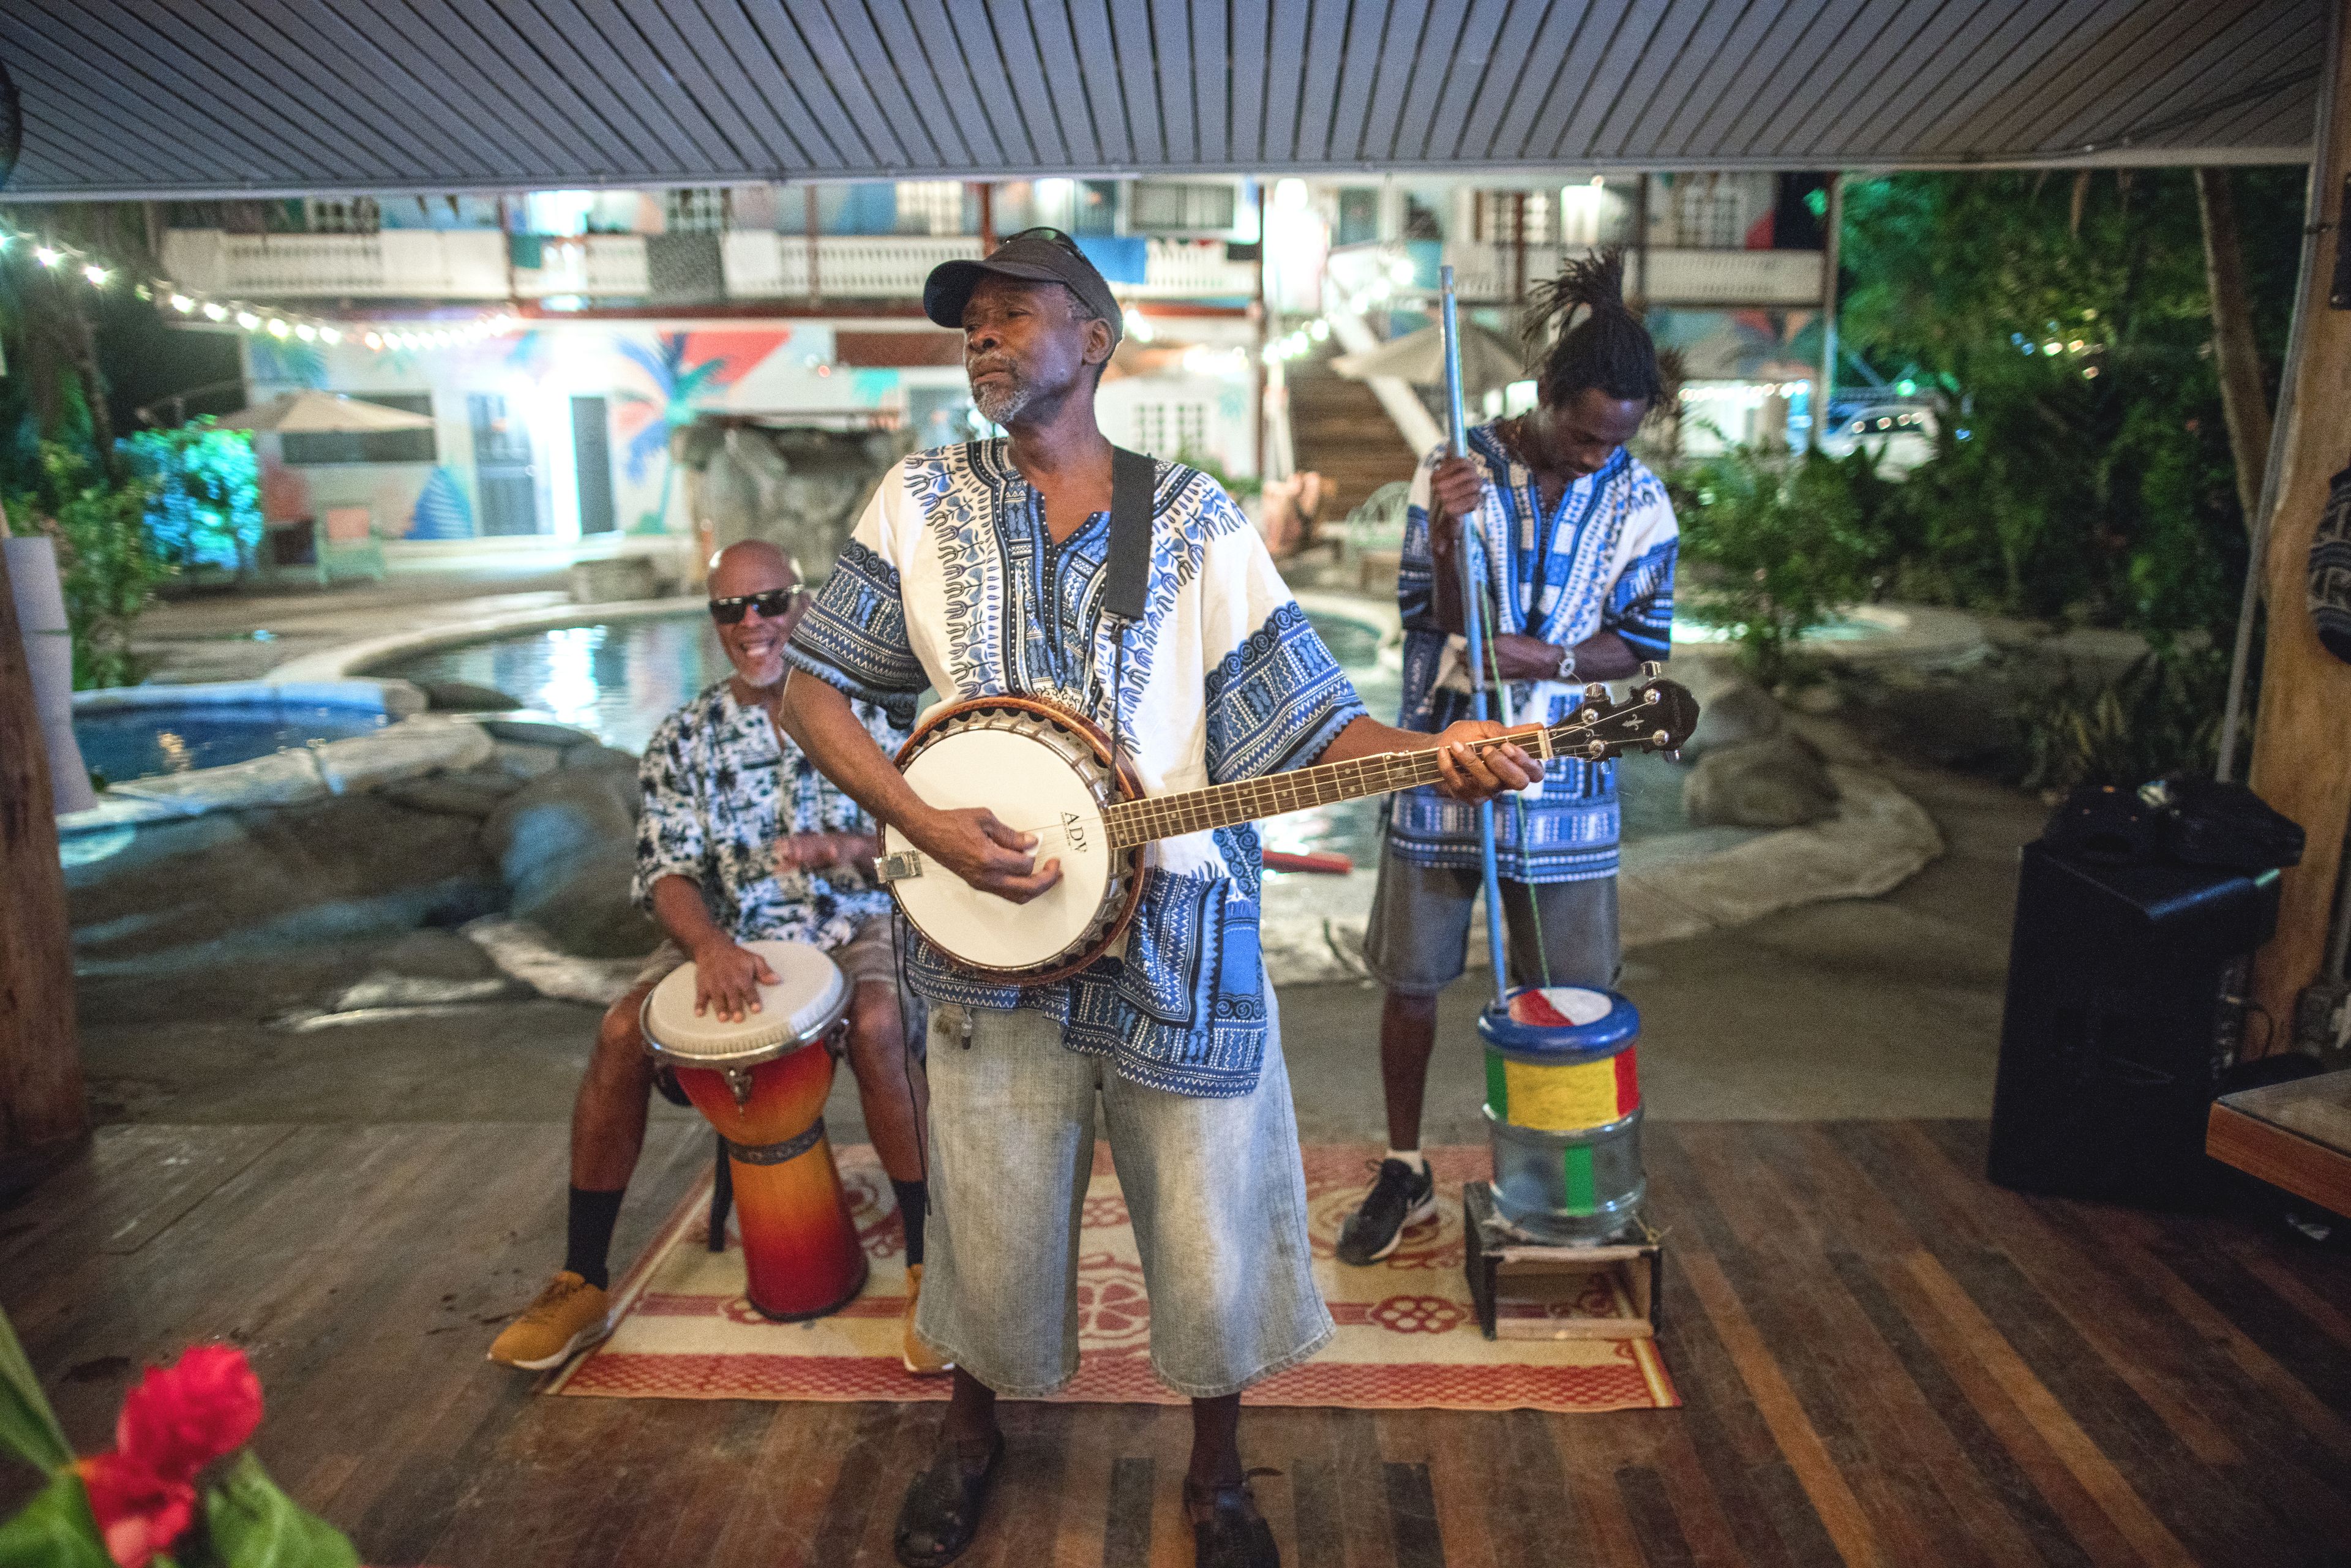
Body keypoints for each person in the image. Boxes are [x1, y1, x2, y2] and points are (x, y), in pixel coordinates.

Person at [778, 228, 1540, 1568]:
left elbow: (1307, 725)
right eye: (975, 322)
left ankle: (1221, 1477)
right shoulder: (918, 500)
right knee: (992, 1218)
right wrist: (922, 826)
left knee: (1211, 1229)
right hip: (984, 944)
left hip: (1180, 944)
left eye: (1018, 314)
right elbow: (811, 686)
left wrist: (1435, 758)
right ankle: (970, 1438)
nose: (987, 337)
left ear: (1095, 342)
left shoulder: (1189, 521)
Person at [487, 541, 946, 1377]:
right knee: (623, 1029)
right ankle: (580, 1280)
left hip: (854, 921)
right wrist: (707, 946)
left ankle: (929, 1270)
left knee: (879, 1021)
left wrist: (843, 845)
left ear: (801, 606)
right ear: (715, 622)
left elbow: (924, 841)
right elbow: (666, 869)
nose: (753, 623)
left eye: (769, 601)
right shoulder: (684, 738)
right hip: (730, 926)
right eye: (732, 609)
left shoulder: (870, 717)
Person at [1336, 249, 1679, 1266]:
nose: (1593, 458)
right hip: (1442, 756)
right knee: (1411, 980)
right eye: (1581, 435)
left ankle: (1556, 1174)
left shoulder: (1641, 501)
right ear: (1546, 397)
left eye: (1614, 441)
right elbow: (1431, 615)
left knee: (1569, 998)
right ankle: (1406, 1165)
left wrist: (1555, 656)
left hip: (1567, 777)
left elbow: (1644, 642)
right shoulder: (1456, 467)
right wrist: (1448, 526)